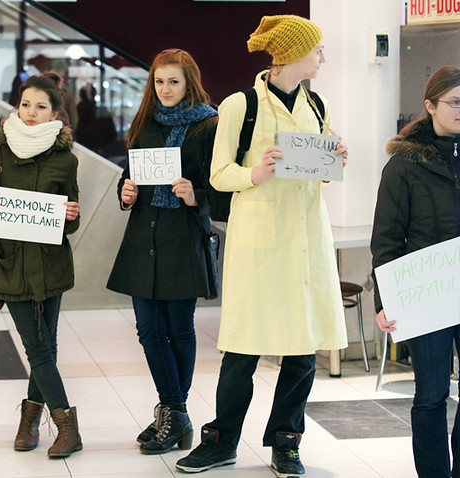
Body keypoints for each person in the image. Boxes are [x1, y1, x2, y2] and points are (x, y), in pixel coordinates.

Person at [175, 16, 349, 477]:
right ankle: (221, 441)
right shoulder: (240, 105)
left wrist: (333, 161)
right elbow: (218, 175)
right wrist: (257, 172)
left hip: (306, 239)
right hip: (258, 241)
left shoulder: (318, 103)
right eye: (318, 50)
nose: (322, 58)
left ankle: (286, 443)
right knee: (243, 349)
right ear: (293, 54)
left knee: (303, 349)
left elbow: (320, 167)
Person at [106, 48, 217, 455]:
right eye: (159, 81)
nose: (165, 89)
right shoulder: (144, 124)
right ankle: (176, 413)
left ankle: (172, 414)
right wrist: (126, 192)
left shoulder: (208, 125)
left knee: (179, 330)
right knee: (148, 331)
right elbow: (129, 175)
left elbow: (220, 186)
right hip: (143, 240)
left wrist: (196, 196)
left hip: (182, 240)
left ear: (189, 82)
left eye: (173, 81)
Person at [0, 72, 82, 458]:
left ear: (55, 113)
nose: (31, 113)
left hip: (50, 265)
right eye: (25, 105)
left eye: (40, 107)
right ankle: (68, 426)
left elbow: (72, 220)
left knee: (45, 346)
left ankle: (30, 418)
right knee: (37, 346)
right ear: (16, 108)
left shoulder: (65, 160)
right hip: (10, 264)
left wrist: (71, 215)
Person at [371, 65, 460, 478]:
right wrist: (385, 301)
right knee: (431, 395)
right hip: (427, 296)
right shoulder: (404, 165)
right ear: (430, 106)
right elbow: (386, 239)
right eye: (455, 102)